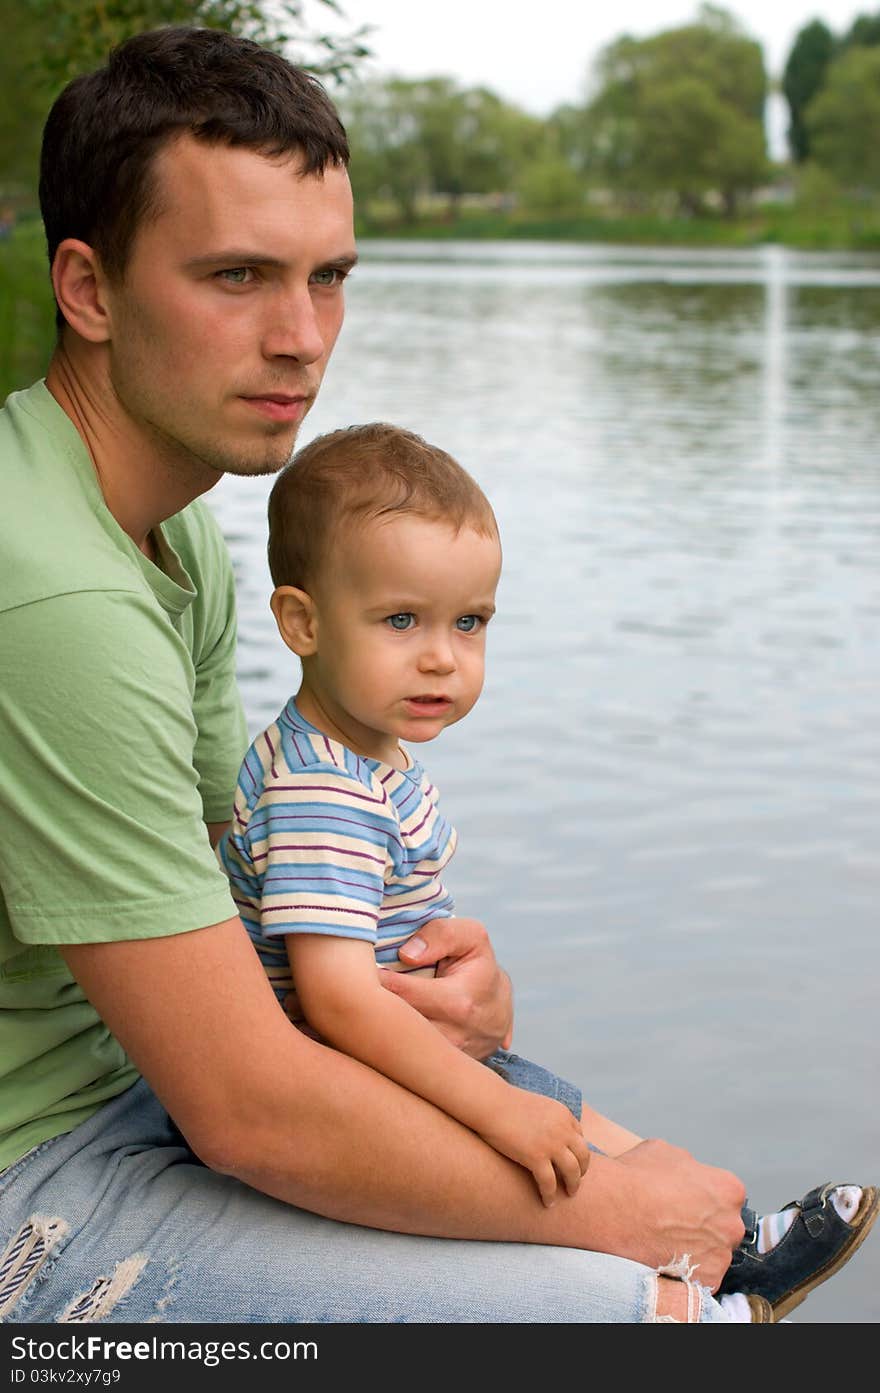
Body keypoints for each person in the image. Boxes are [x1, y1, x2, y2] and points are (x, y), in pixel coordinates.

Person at [0, 23, 828, 1327]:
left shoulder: (172, 539)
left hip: (138, 1084)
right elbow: (247, 1107)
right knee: (636, 1309)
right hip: (34, 1183)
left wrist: (403, 984)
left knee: (584, 1158)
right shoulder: (51, 589)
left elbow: (237, 885)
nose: (300, 338)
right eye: (236, 276)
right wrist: (620, 1217)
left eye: (329, 278)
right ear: (90, 290)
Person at [219, 421, 878, 1323]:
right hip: (342, 1072)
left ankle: (730, 1241)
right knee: (535, 1136)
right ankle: (701, 1290)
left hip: (388, 1046)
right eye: (401, 619)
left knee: (552, 1103)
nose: (442, 655)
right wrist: (495, 1114)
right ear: (301, 622)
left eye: (469, 622)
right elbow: (335, 998)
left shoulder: (356, 754)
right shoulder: (323, 793)